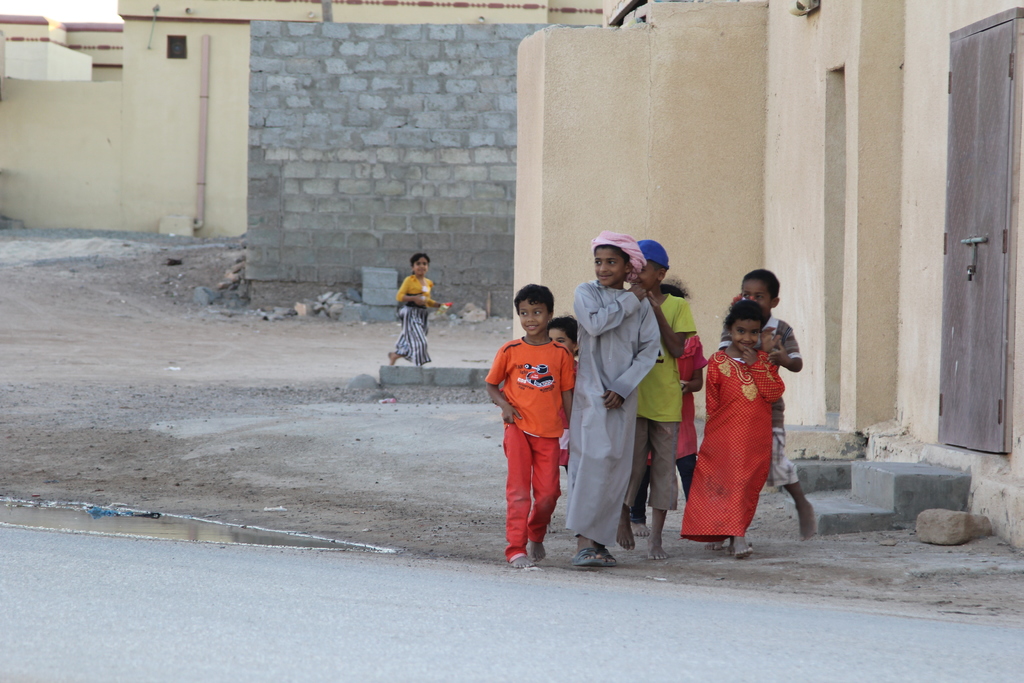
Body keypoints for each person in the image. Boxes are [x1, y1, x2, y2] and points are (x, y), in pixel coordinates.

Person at [565, 231, 660, 568]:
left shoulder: (643, 306)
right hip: (590, 394)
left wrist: (623, 386)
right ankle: (583, 543)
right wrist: (630, 300)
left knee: (615, 467)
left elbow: (649, 350)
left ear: (627, 266)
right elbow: (594, 325)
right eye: (598, 261)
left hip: (622, 396)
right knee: (589, 464)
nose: (603, 268)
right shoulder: (586, 292)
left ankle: (600, 543)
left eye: (611, 262)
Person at [682, 299, 784, 559]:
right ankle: (734, 535)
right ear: (729, 329)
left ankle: (734, 532)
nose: (747, 338)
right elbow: (712, 403)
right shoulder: (717, 361)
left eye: (753, 332)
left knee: (746, 485)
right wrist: (712, 438)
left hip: (756, 438)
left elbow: (774, 393)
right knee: (726, 483)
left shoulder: (764, 360)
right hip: (725, 436)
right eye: (740, 331)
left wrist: (756, 365)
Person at [718, 269, 816, 540]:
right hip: (737, 410)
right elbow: (724, 357)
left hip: (769, 409)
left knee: (774, 462)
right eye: (746, 294)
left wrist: (783, 358)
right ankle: (730, 530)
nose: (751, 300)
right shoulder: (734, 324)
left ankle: (801, 503)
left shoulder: (780, 329)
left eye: (759, 296)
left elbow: (797, 363)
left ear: (774, 301)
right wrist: (755, 346)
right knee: (734, 468)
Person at [485, 284, 576, 568]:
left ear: (549, 314)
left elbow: (567, 394)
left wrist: (574, 430)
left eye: (537, 312)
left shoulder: (561, 354)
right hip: (517, 429)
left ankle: (536, 533)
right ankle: (515, 549)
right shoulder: (509, 350)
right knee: (519, 492)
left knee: (549, 494)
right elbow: (491, 385)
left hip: (549, 433)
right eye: (524, 313)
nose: (530, 319)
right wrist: (505, 406)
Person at [620, 241, 695, 560]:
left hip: (665, 403)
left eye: (642, 269)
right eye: (632, 268)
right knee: (632, 468)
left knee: (664, 473)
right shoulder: (624, 302)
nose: (635, 274)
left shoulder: (677, 306)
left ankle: (656, 538)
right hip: (633, 400)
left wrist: (656, 311)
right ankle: (624, 517)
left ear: (660, 274)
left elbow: (677, 349)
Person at [629, 282, 705, 537]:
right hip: (650, 408)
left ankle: (697, 520)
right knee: (643, 469)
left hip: (679, 415)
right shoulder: (645, 333)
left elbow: (697, 381)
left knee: (686, 467)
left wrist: (686, 386)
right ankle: (636, 518)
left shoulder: (691, 344)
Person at [389, 253, 441, 367]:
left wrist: (438, 305)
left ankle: (395, 355)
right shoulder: (409, 280)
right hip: (410, 312)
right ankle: (418, 367)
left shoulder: (428, 283)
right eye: (418, 264)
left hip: (422, 314)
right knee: (420, 341)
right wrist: (414, 298)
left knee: (410, 338)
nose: (421, 266)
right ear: (413, 267)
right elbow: (399, 296)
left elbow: (427, 300)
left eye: (424, 264)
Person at [547, 315, 579, 473]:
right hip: (548, 430)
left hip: (571, 430)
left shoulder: (581, 373)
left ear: (575, 345)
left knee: (573, 471)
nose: (554, 346)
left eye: (560, 341)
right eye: (550, 340)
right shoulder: (543, 371)